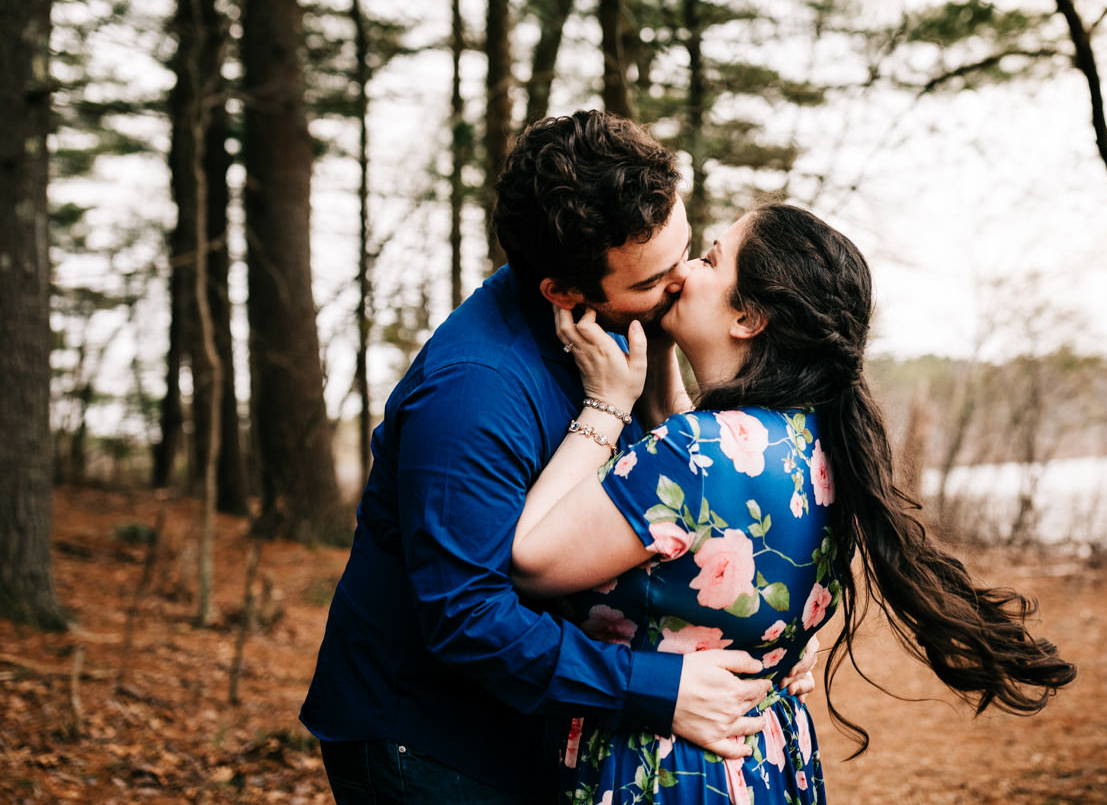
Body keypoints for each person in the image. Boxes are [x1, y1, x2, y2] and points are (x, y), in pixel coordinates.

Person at [301, 111, 809, 805]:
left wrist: (750, 649)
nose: (687, 279)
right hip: (430, 746)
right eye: (658, 276)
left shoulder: (623, 336)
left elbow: (650, 531)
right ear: (564, 292)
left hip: (538, 727)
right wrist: (662, 689)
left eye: (689, 249)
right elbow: (467, 615)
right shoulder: (475, 392)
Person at [508, 202, 1077, 805]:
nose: (684, 270)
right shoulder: (817, 441)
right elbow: (695, 492)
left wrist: (603, 404)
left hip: (663, 770)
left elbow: (529, 563)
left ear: (749, 316)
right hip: (764, 759)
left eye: (711, 259)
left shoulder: (693, 453)